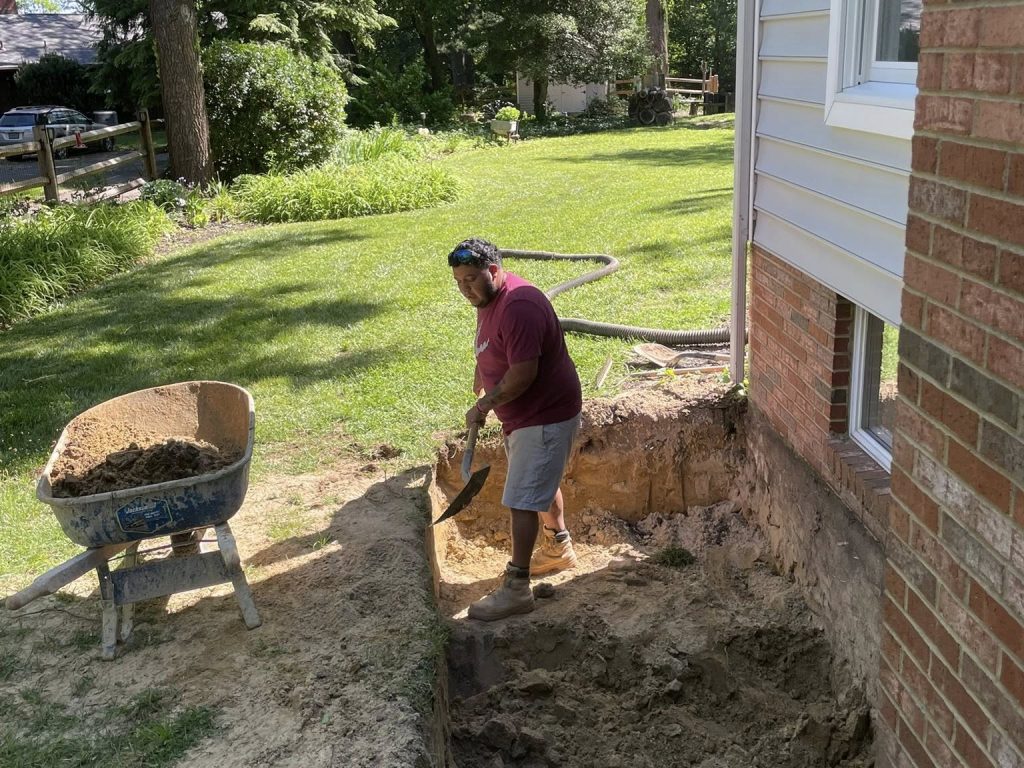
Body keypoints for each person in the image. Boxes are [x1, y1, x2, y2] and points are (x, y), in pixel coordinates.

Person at [448, 237, 583, 621]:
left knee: (522, 499)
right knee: (536, 482)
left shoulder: (520, 305)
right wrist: (483, 369)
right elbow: (496, 345)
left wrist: (484, 405)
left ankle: (517, 588)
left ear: (494, 270)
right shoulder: (489, 297)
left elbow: (523, 375)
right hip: (524, 416)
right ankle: (558, 547)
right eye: (459, 282)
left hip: (543, 415)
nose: (466, 290)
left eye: (472, 280)